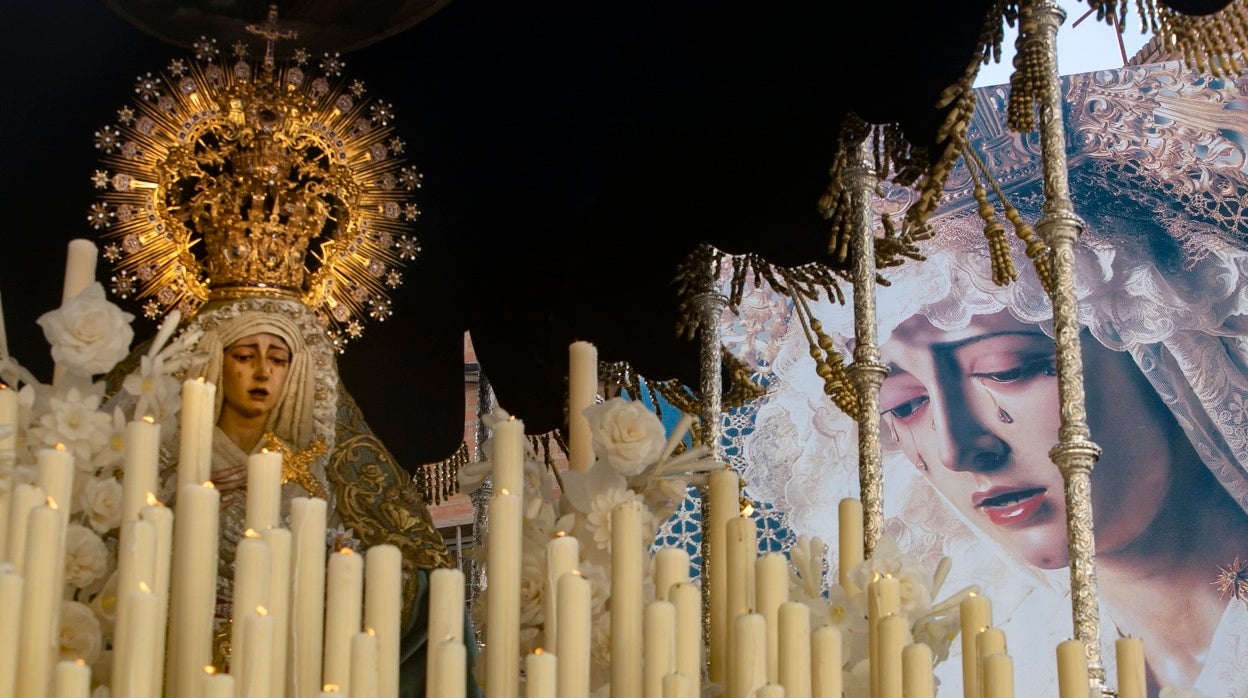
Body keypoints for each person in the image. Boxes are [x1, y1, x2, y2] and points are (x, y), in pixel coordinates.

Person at [728, 59, 1248, 697]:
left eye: (1007, 369)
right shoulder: (1002, 665)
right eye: (904, 403)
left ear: (1157, 345)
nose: (958, 447)